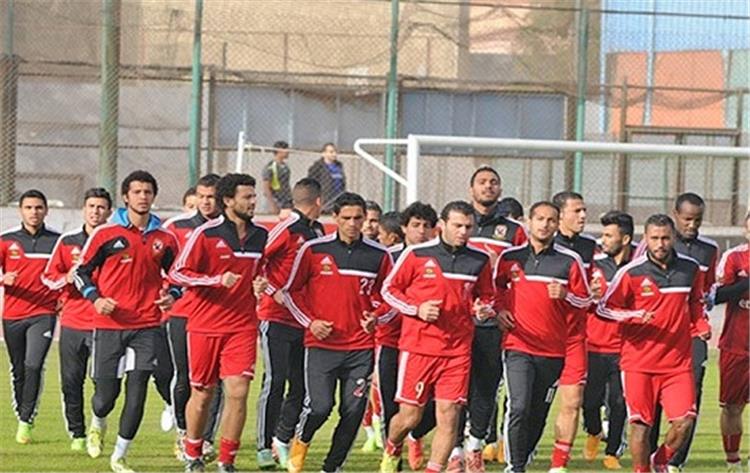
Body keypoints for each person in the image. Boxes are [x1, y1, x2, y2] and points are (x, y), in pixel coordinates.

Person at [74, 170, 180, 473]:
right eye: (137, 192)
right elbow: (81, 273)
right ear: (125, 197)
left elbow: (180, 275)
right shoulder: (106, 234)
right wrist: (96, 299)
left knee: (138, 392)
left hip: (147, 325)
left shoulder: (164, 238)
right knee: (105, 397)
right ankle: (98, 423)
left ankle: (120, 456)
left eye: (148, 192)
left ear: (154, 196)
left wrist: (172, 295)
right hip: (109, 325)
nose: (143, 197)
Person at [379, 200, 496, 473]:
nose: (463, 232)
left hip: (457, 350)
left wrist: (483, 308)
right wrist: (417, 308)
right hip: (418, 347)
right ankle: (392, 446)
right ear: (442, 225)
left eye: (468, 227)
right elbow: (388, 290)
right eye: (458, 225)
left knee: (449, 415)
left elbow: (487, 295)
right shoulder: (416, 254)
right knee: (410, 416)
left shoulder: (478, 260)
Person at [283, 192, 392, 473]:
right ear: (335, 218)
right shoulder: (314, 250)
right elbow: (291, 292)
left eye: (358, 218)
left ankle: (332, 466)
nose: (353, 224)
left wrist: (376, 318)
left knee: (353, 411)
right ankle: (301, 442)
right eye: (347, 218)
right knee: (320, 407)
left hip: (360, 347)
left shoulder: (379, 255)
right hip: (322, 344)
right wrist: (310, 322)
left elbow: (390, 297)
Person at [597, 214, 711, 473]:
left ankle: (659, 462)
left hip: (677, 363)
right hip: (639, 363)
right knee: (641, 426)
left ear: (673, 238)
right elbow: (604, 309)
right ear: (645, 239)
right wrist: (634, 316)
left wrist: (701, 324)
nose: (660, 244)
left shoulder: (690, 269)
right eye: (655, 238)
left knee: (684, 422)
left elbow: (696, 302)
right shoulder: (631, 273)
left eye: (665, 238)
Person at [169, 173, 268, 473]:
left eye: (253, 196)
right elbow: (178, 273)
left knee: (239, 391)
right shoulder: (205, 234)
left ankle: (227, 461)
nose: (253, 202)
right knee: (202, 394)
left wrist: (261, 283)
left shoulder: (261, 236)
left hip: (242, 326)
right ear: (228, 201)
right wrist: (215, 280)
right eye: (247, 197)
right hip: (204, 325)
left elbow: (262, 271)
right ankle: (193, 452)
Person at [494, 201, 591, 473]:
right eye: (539, 219)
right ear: (528, 221)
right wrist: (499, 310)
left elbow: (585, 301)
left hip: (553, 350)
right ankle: (514, 467)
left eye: (551, 220)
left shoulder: (569, 260)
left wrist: (566, 295)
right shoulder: (510, 258)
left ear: (557, 224)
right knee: (519, 405)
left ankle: (523, 457)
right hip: (518, 344)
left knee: (537, 413)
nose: (544, 225)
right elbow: (495, 289)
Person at [453, 166, 527, 473]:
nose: (488, 186)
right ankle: (454, 450)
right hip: (457, 322)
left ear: (500, 189)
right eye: (482, 182)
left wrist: (504, 309)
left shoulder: (513, 231)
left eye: (494, 182)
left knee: (486, 388)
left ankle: (475, 446)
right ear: (471, 189)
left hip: (491, 322)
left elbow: (521, 278)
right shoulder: (460, 222)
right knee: (456, 389)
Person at [255, 178, 325, 470]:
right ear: (319, 202)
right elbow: (257, 260)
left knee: (301, 385)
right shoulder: (285, 229)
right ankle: (262, 445)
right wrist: (273, 291)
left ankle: (281, 440)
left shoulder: (318, 231)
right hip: (276, 317)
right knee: (275, 380)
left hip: (304, 319)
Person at [646, 193, 719, 469]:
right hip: (660, 332)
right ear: (676, 215)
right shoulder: (658, 243)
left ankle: (675, 461)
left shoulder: (708, 249)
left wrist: (705, 306)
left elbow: (707, 288)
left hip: (692, 332)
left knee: (694, 390)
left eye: (697, 220)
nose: (692, 225)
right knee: (653, 395)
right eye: (687, 219)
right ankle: (649, 454)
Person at [42, 188, 112, 452]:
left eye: (101, 207)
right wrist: (66, 278)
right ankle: (78, 433)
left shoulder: (116, 241)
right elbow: (48, 277)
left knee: (103, 381)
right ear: (84, 209)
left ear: (109, 212)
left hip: (105, 323)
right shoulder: (67, 241)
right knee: (71, 381)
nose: (95, 211)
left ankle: (97, 424)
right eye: (91, 206)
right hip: (73, 322)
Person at [163, 174, 224, 462]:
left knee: (216, 381)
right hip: (183, 313)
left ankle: (206, 439)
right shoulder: (176, 228)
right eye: (201, 196)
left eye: (211, 196)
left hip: (218, 316)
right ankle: (183, 432)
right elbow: (158, 262)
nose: (205, 202)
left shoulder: (232, 230)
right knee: (185, 377)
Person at [375, 202, 439, 471]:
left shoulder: (440, 257)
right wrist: (377, 316)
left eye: (426, 226)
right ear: (404, 228)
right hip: (391, 340)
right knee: (392, 406)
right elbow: (377, 292)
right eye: (415, 225)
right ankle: (392, 458)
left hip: (428, 344)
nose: (421, 231)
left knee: (437, 407)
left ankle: (416, 435)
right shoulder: (387, 257)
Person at [539, 191, 598, 473]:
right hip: (539, 338)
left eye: (584, 210)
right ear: (559, 215)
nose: (583, 216)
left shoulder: (589, 247)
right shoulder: (542, 245)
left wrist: (590, 290)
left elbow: (586, 292)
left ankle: (558, 465)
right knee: (530, 405)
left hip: (574, 336)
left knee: (573, 401)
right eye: (577, 211)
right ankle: (517, 449)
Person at [1, 189, 61, 444]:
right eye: (28, 208)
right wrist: (3, 278)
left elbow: (67, 272)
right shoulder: (6, 240)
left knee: (33, 364)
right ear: (21, 211)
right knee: (19, 369)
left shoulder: (57, 241)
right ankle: (22, 411)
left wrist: (63, 298)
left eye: (38, 207)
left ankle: (26, 420)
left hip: (43, 314)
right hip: (13, 315)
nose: (34, 212)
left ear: (46, 210)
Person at [581, 211, 633, 470]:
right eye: (603, 235)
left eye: (609, 235)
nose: (603, 240)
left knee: (619, 402)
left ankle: (613, 452)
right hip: (594, 345)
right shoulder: (595, 265)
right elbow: (580, 298)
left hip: (626, 348)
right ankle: (593, 431)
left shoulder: (637, 268)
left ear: (625, 239)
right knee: (590, 401)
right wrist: (589, 296)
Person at [714, 213, 750, 472]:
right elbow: (716, 296)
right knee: (732, 407)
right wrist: (745, 284)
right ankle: (733, 461)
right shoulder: (734, 258)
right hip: (736, 345)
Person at [307, 142, 346, 214]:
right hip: (325, 198)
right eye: (331, 152)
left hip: (337, 195)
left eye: (335, 152)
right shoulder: (317, 167)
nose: (334, 154)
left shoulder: (339, 165)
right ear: (324, 153)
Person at [262, 141, 293, 215]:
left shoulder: (285, 166)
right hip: (275, 198)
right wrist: (272, 203)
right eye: (286, 149)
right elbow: (266, 186)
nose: (288, 152)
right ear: (279, 151)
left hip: (285, 199)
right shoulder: (270, 167)